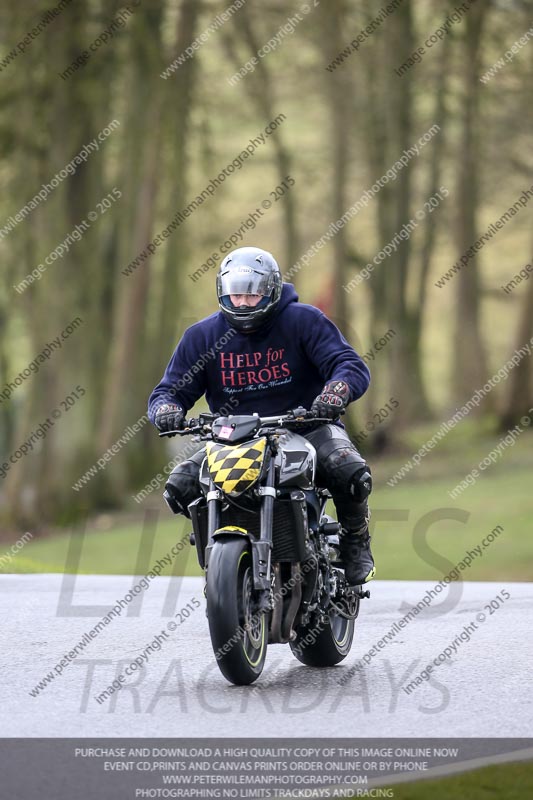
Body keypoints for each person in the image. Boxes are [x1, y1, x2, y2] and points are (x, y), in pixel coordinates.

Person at [148, 246, 375, 584]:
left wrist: (334, 393)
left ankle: (356, 541)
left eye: (251, 296)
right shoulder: (202, 337)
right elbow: (168, 392)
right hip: (231, 437)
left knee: (349, 471)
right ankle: (218, 543)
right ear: (222, 293)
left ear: (270, 290)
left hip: (306, 427)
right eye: (235, 295)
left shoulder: (303, 321)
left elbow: (349, 365)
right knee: (179, 487)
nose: (242, 303)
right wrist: (166, 410)